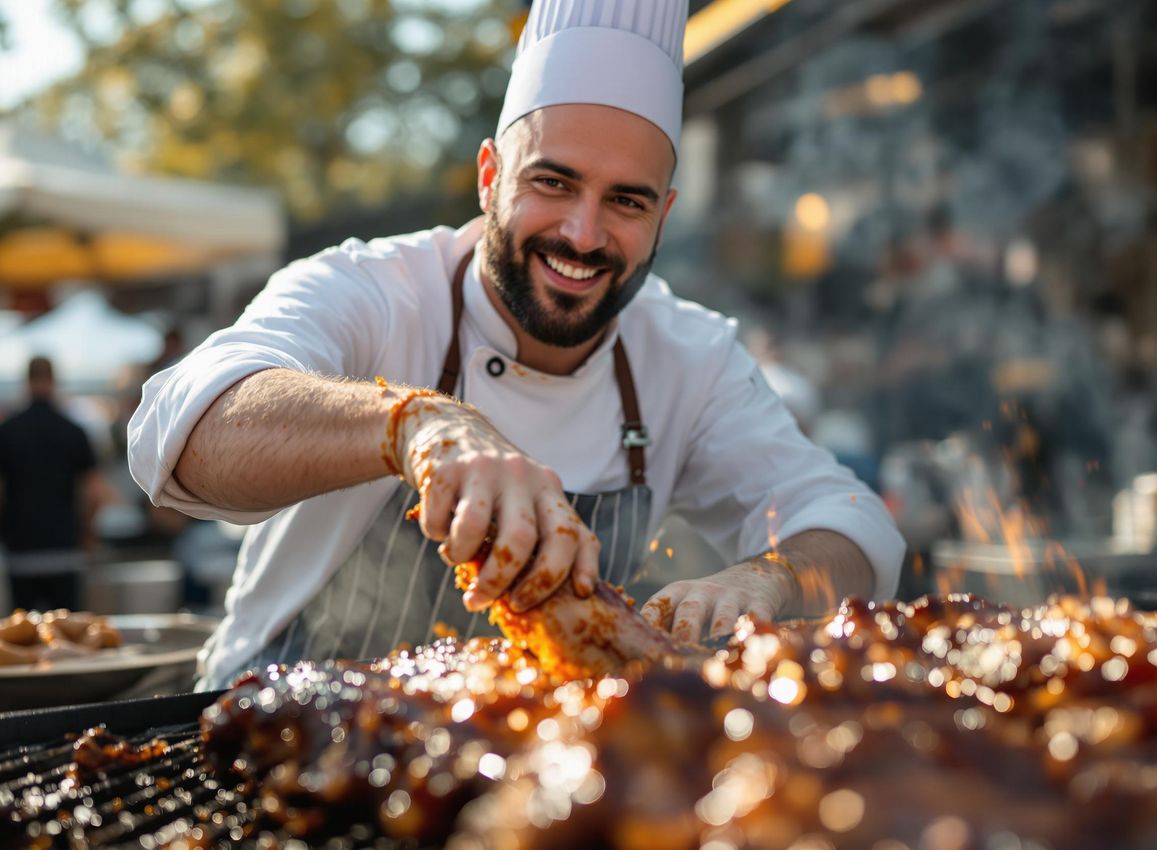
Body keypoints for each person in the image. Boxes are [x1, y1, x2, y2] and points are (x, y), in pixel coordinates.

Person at [128, 0, 905, 689]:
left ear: (663, 215)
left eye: (625, 201)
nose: (583, 233)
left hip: (523, 763)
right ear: (490, 175)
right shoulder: (370, 290)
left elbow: (851, 522)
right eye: (554, 182)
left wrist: (774, 578)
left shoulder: (690, 358)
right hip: (272, 731)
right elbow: (180, 433)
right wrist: (416, 425)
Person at [0, 356, 102, 611]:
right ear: (54, 381)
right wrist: (86, 533)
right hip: (64, 548)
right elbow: (93, 492)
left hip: (21, 549)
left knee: (23, 637)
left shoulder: (7, 431)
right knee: (69, 638)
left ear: (27, 382)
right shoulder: (73, 431)